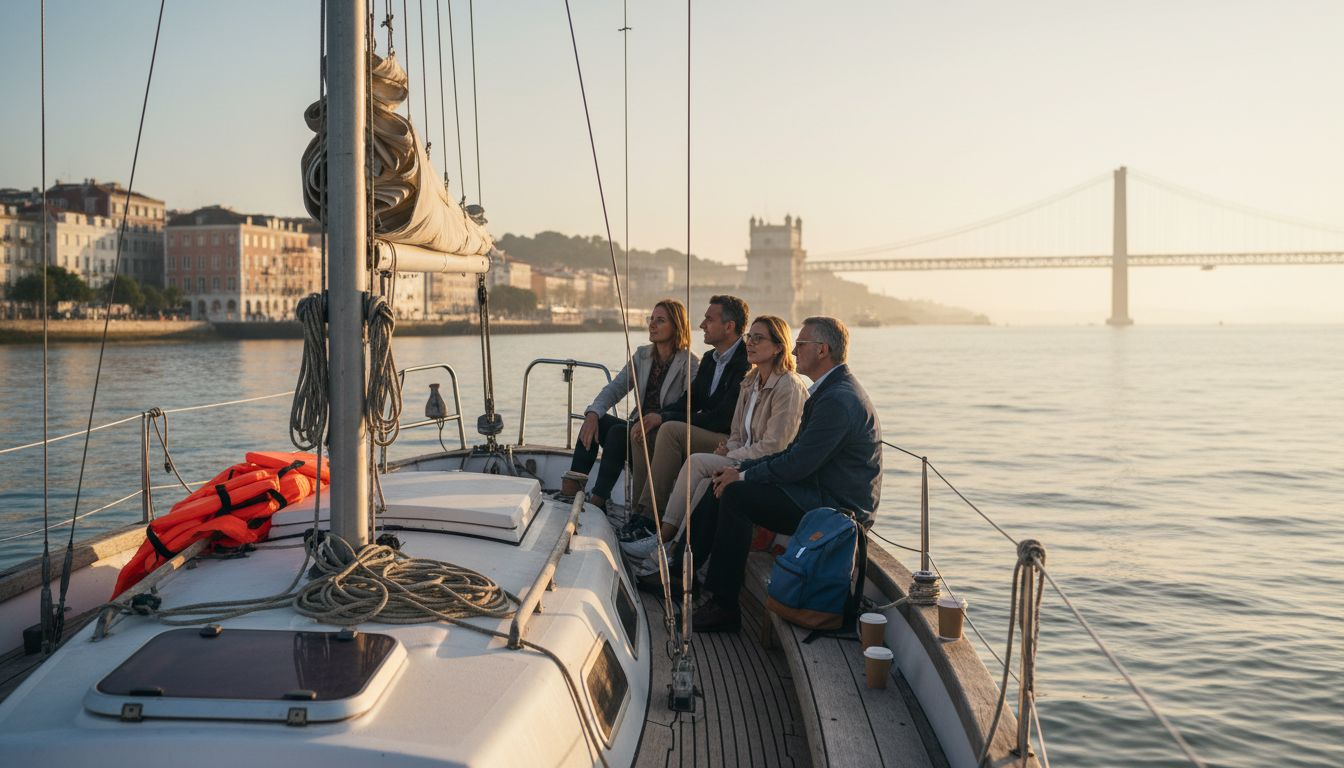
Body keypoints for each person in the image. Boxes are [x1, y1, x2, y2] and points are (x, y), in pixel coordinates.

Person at [689, 316, 882, 633]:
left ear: (822, 350)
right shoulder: (830, 390)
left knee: (736, 494)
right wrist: (740, 469)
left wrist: (744, 477)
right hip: (817, 491)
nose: (794, 350)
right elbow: (795, 457)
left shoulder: (838, 399)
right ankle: (685, 571)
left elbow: (797, 465)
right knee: (726, 479)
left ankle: (723, 604)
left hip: (835, 509)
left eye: (801, 344)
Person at [621, 315, 809, 578]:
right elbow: (736, 434)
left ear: (779, 347)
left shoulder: (788, 387)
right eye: (749, 337)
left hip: (766, 467)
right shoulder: (750, 382)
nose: (750, 343)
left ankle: (664, 540)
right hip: (743, 457)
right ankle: (673, 548)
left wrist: (730, 454)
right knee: (701, 482)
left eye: (759, 338)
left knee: (698, 462)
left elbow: (774, 446)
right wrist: (728, 449)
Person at [619, 295, 751, 540]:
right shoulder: (712, 360)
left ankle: (650, 517)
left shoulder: (745, 362)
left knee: (670, 430)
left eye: (709, 320)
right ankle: (638, 513)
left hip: (730, 439)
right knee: (643, 428)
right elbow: (691, 402)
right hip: (710, 430)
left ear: (729, 326)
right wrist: (657, 416)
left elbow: (722, 417)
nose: (701, 325)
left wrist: (666, 420)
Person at [561, 299, 697, 511]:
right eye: (651, 319)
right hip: (636, 429)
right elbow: (615, 388)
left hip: (661, 436)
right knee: (596, 422)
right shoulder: (642, 356)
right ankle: (571, 490)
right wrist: (593, 413)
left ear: (677, 326)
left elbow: (690, 406)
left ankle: (597, 501)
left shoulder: (689, 363)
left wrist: (661, 417)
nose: (652, 324)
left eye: (660, 320)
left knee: (617, 433)